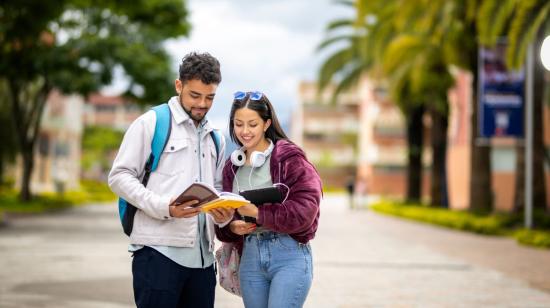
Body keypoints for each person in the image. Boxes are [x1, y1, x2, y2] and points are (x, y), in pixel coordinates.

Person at [108, 52, 234, 308]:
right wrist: (165, 207)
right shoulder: (151, 123)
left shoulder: (216, 138)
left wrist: (224, 214)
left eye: (210, 97)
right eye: (195, 95)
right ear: (179, 86)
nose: (202, 104)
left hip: (203, 260)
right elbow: (119, 177)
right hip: (158, 255)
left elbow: (217, 189)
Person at [215, 91, 323, 308]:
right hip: (250, 256)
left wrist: (256, 212)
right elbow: (223, 225)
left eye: (252, 124)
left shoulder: (289, 157)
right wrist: (231, 226)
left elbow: (306, 211)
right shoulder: (231, 167)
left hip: (289, 254)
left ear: (266, 124)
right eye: (238, 124)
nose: (244, 131)